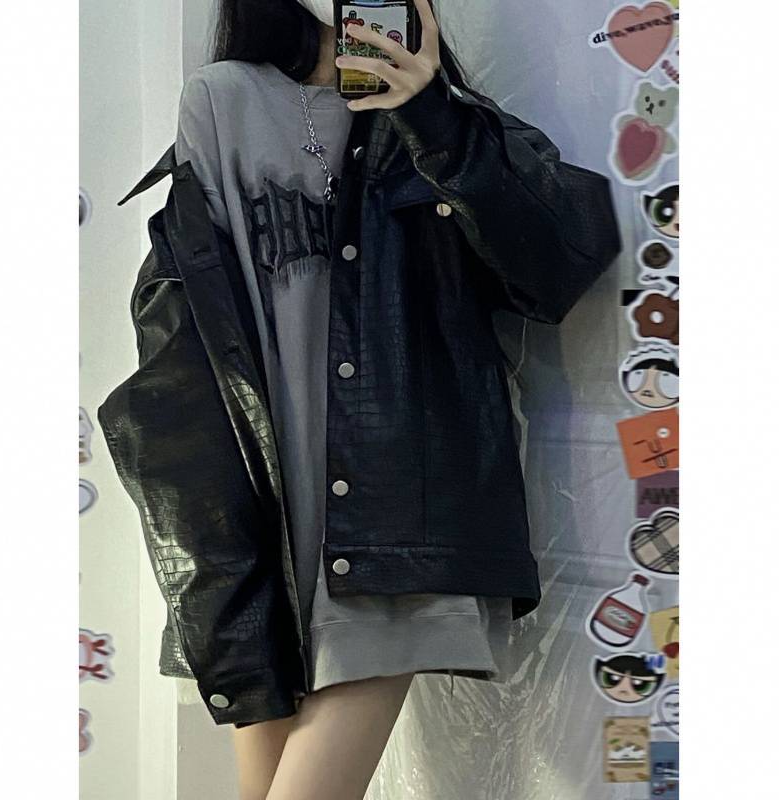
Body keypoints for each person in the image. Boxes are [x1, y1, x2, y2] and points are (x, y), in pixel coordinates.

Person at [163, 1, 621, 798]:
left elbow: (557, 268)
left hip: (396, 517)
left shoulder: (453, 121)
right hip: (266, 525)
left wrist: (431, 113)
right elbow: (207, 327)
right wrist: (220, 535)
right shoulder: (221, 98)